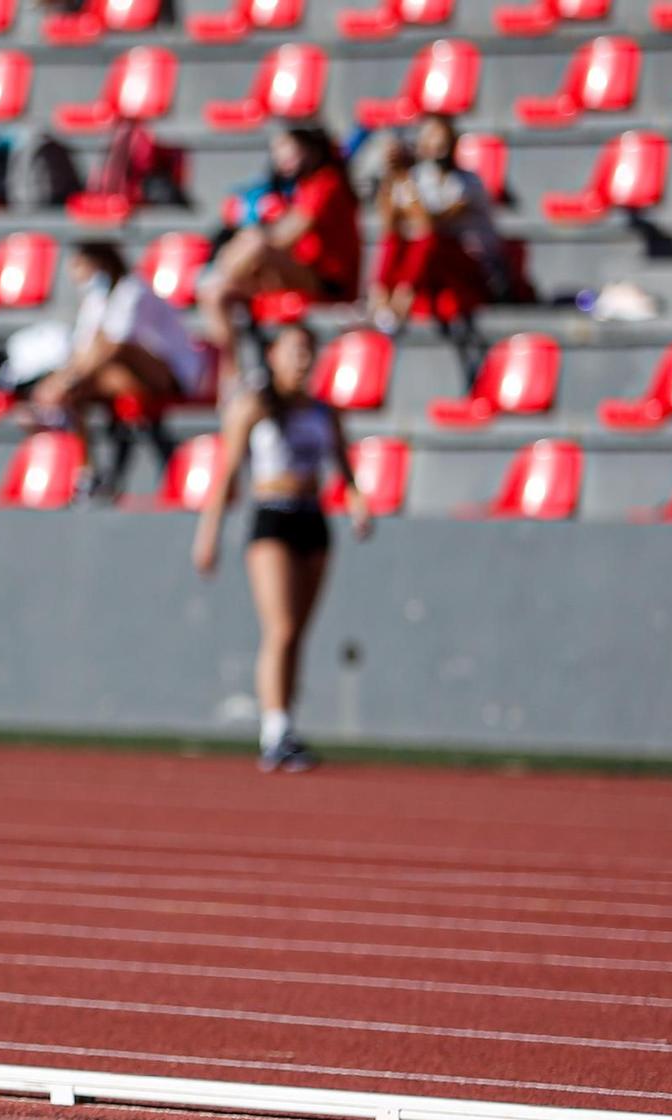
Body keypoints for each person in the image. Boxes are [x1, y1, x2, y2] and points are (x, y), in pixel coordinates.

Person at [192, 325, 372, 772]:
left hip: (312, 516)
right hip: (272, 515)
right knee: (282, 628)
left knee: (298, 634)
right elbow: (226, 474)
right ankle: (273, 730)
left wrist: (357, 504)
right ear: (272, 355)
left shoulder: (323, 412)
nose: (302, 361)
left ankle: (286, 723)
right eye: (293, 352)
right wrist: (209, 533)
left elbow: (344, 471)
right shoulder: (254, 406)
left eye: (308, 352)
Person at [33, 240, 211, 494]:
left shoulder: (134, 291)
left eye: (81, 268)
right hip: (130, 380)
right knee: (82, 389)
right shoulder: (96, 300)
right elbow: (84, 351)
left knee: (112, 351)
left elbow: (116, 346)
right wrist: (64, 383)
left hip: (174, 376)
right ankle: (87, 470)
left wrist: (66, 380)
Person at [198, 126, 360, 387]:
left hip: (327, 282)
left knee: (256, 243)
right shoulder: (295, 188)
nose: (281, 157)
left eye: (288, 149)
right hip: (291, 274)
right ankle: (231, 379)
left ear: (311, 149)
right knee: (216, 295)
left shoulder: (326, 183)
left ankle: (214, 274)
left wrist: (247, 241)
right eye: (277, 150)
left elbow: (286, 238)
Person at [367, 114, 508, 335]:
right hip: (434, 268)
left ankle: (403, 298)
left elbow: (429, 225)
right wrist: (391, 179)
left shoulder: (468, 182)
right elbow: (389, 224)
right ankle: (379, 297)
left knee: (429, 241)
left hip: (471, 267)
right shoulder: (419, 178)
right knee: (395, 240)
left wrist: (404, 180)